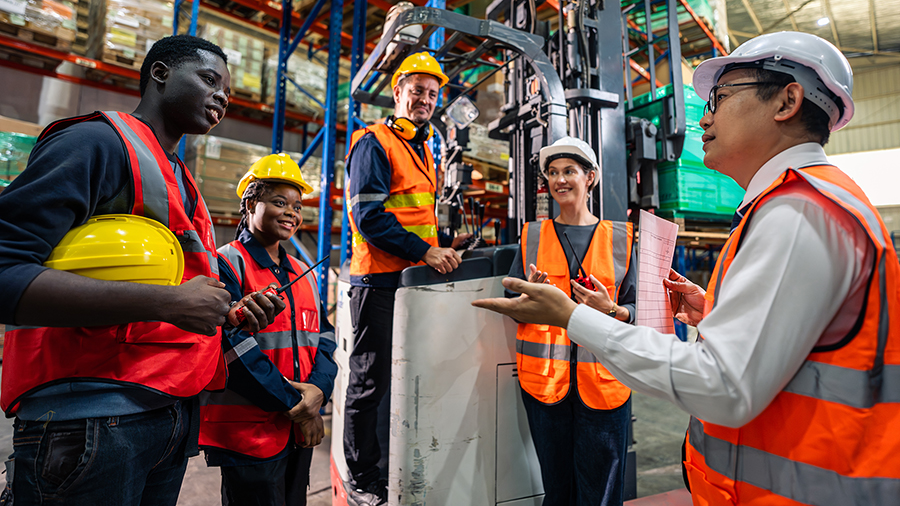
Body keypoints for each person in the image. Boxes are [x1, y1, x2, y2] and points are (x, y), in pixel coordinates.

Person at [473, 31, 900, 505]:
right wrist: (713, 313)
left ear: (787, 101)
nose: (704, 117)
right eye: (550, 172)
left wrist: (576, 318)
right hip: (551, 389)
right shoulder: (795, 204)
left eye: (720, 97)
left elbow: (723, 385)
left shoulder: (798, 213)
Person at [0, 35, 282, 505]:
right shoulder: (96, 142)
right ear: (160, 73)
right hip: (91, 420)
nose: (222, 98)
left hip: (165, 415)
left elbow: (161, 286)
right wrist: (171, 303)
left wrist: (225, 313)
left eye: (227, 92)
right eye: (209, 80)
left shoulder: (178, 176)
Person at [342, 51, 471, 505]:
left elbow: (415, 216)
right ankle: (361, 477)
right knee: (368, 381)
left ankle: (382, 464)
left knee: (396, 379)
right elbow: (369, 218)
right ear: (398, 92)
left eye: (432, 94)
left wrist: (447, 241)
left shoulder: (423, 148)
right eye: (417, 90)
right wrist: (426, 251)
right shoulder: (373, 142)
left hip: (408, 282)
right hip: (376, 281)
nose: (425, 99)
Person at [200, 153, 337, 506]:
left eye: (297, 205)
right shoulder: (225, 264)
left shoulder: (301, 274)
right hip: (249, 435)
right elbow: (231, 348)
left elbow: (325, 338)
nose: (292, 212)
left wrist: (319, 391)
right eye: (279, 202)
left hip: (296, 431)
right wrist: (299, 405)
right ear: (250, 204)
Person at [508, 136, 637, 506]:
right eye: (552, 173)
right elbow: (516, 308)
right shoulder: (532, 236)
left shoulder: (621, 239)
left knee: (600, 495)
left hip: (605, 386)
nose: (560, 180)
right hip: (546, 387)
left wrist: (611, 308)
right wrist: (527, 297)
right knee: (558, 490)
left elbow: (642, 313)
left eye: (569, 171)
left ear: (590, 177)